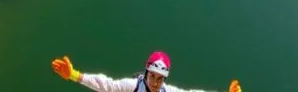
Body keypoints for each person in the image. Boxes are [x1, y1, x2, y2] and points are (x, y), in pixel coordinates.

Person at [51, 51, 242, 92]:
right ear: (146, 73)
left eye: (160, 79)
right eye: (153, 76)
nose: (156, 82)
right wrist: (75, 75)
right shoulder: (132, 87)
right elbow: (106, 85)